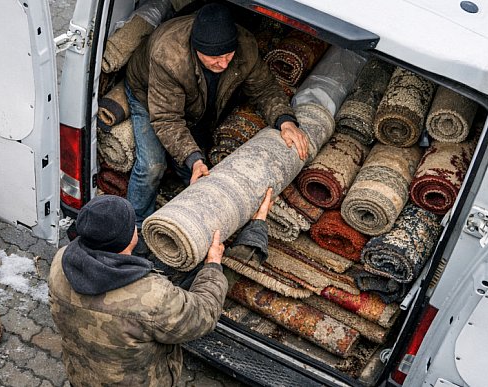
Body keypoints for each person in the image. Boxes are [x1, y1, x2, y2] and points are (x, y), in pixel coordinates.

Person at [48, 188, 275, 386]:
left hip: (82, 377)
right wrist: (213, 266)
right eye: (133, 226)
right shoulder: (151, 298)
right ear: (129, 239)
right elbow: (204, 314)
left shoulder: (60, 263)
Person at [124, 3, 310, 233]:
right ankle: (134, 227)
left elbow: (264, 88)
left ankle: (192, 223)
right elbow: (167, 119)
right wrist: (194, 159)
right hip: (148, 96)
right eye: (214, 57)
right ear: (195, 48)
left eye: (228, 55)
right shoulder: (169, 55)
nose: (223, 63)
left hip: (197, 100)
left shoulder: (245, 47)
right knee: (153, 165)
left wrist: (286, 121)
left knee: (200, 168)